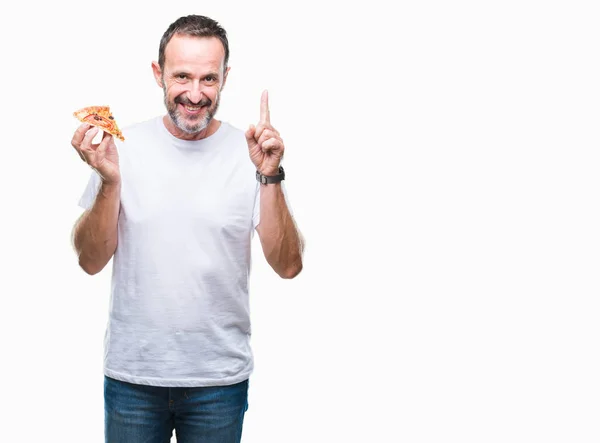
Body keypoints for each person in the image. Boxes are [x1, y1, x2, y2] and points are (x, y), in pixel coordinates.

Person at [70, 14, 304, 443]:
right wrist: (109, 182)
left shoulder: (249, 153)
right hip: (133, 379)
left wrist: (271, 174)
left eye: (208, 80)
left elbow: (288, 265)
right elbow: (89, 261)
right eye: (182, 76)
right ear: (158, 73)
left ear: (225, 78)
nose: (194, 95)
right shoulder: (122, 149)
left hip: (218, 382)